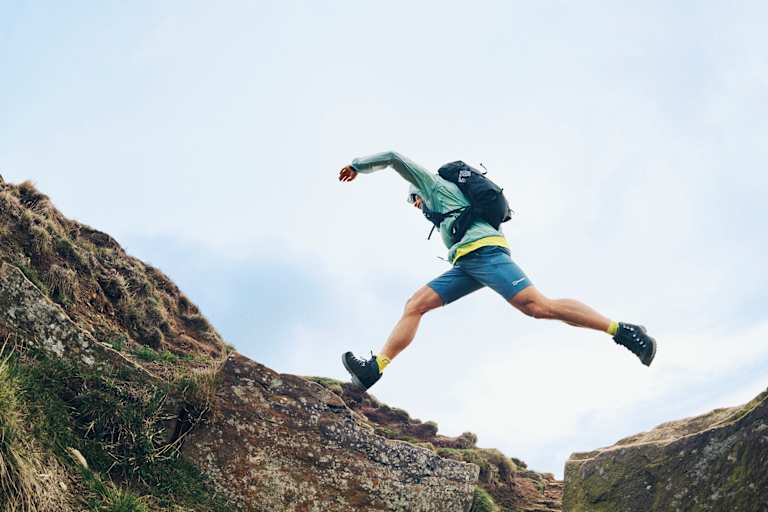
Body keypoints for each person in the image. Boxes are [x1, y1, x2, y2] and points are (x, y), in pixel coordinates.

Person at [338, 151, 656, 391]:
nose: (417, 208)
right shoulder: (441, 213)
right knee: (415, 305)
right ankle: (374, 369)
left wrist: (357, 166)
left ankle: (624, 331)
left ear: (418, 192)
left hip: (486, 254)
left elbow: (394, 158)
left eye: (414, 202)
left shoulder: (432, 185)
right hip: (466, 264)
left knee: (538, 306)